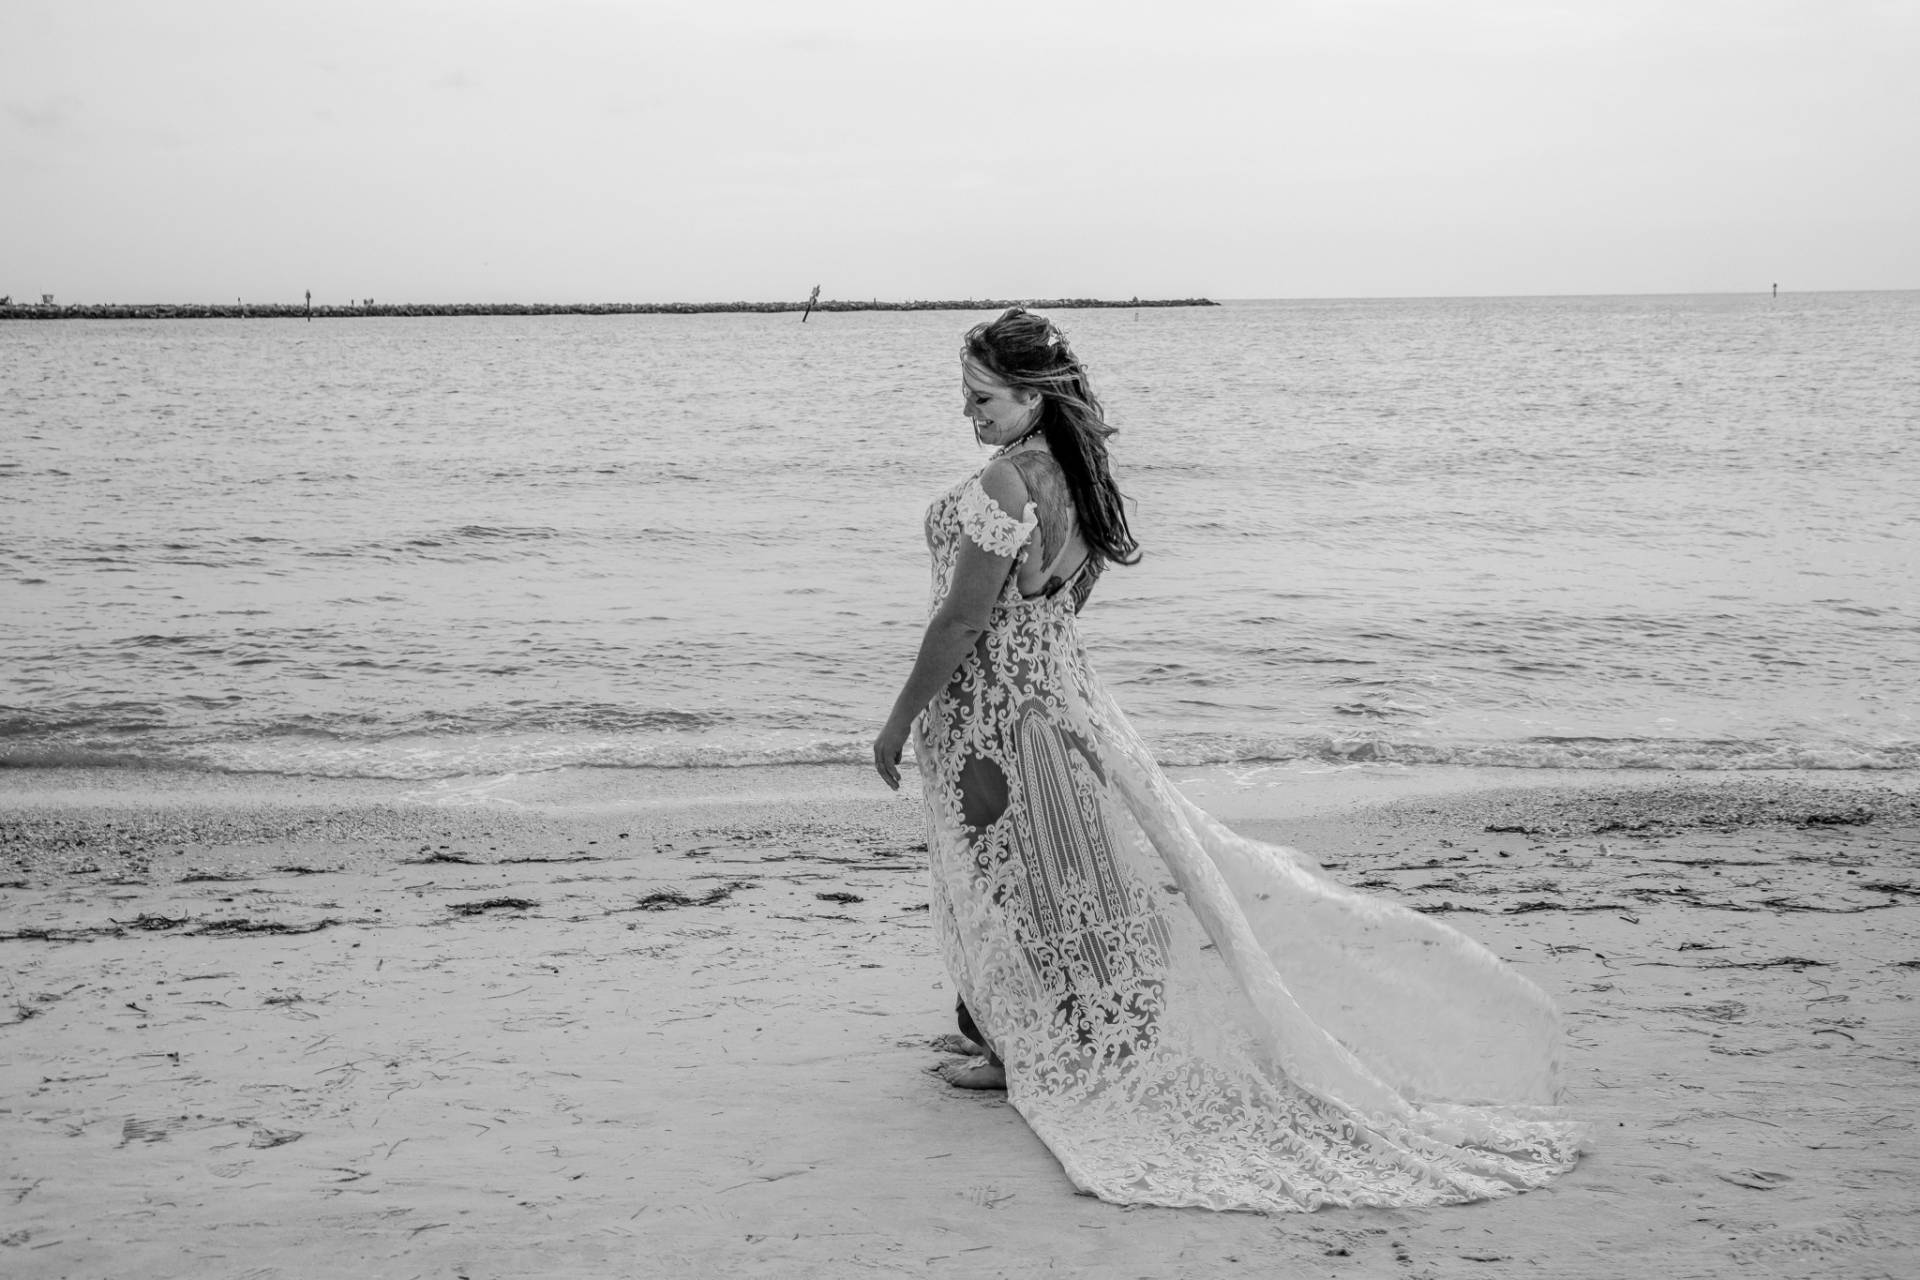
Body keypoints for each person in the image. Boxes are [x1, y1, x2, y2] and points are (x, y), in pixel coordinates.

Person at [873, 308, 1586, 1212]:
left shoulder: (1007, 483)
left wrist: (901, 719)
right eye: (965, 397)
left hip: (999, 713)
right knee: (1059, 872)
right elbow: (1055, 604)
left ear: (1034, 397)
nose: (968, 414)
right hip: (1058, 698)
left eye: (982, 398)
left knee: (1016, 880)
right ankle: (1012, 1033)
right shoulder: (1077, 478)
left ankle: (1025, 1048)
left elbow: (963, 620)